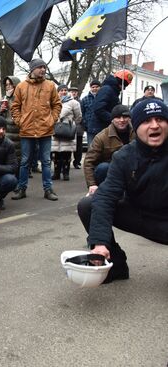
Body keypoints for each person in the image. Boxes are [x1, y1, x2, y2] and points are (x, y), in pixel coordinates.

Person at [77, 99, 168, 284]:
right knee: (88, 205)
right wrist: (99, 243)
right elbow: (106, 197)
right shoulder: (124, 156)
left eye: (160, 119)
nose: (154, 125)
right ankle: (116, 266)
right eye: (146, 121)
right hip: (139, 215)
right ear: (136, 126)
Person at [10, 58, 62, 201]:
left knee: (46, 161)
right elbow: (15, 107)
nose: (43, 70)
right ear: (32, 69)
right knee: (25, 161)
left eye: (44, 67)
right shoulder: (21, 86)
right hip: (27, 130)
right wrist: (20, 121)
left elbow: (57, 105)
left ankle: (48, 189)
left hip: (45, 129)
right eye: (40, 67)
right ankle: (21, 188)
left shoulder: (50, 86)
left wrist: (52, 120)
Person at [83, 104, 135, 196]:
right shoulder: (101, 137)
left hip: (133, 169)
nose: (122, 120)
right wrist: (92, 184)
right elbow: (89, 162)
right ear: (112, 119)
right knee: (103, 168)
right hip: (111, 172)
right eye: (118, 117)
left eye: (125, 117)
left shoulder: (138, 132)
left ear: (130, 118)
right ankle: (104, 193)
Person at [88, 69, 133, 145]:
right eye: (125, 85)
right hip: (98, 129)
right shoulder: (107, 90)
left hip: (101, 128)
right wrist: (113, 119)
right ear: (121, 82)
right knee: (95, 154)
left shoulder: (112, 90)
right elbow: (99, 109)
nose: (124, 88)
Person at [51, 84, 82, 181]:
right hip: (56, 129)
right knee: (56, 153)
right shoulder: (53, 102)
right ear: (58, 92)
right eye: (61, 90)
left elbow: (78, 117)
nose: (63, 92)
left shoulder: (74, 103)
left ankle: (66, 173)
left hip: (67, 130)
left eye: (65, 90)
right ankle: (56, 172)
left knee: (67, 153)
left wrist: (71, 124)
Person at [0, 76, 21, 167]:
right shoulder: (4, 98)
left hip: (17, 132)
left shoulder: (21, 98)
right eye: (6, 85)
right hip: (6, 131)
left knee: (17, 157)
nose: (8, 86)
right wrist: (0, 110)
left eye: (10, 84)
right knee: (6, 157)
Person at [78, 79, 101, 168]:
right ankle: (91, 166)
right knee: (91, 148)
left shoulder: (103, 97)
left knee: (101, 148)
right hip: (90, 128)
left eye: (97, 87)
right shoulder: (85, 99)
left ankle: (99, 165)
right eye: (93, 87)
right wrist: (85, 123)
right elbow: (81, 113)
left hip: (101, 127)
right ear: (90, 88)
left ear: (100, 87)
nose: (95, 89)